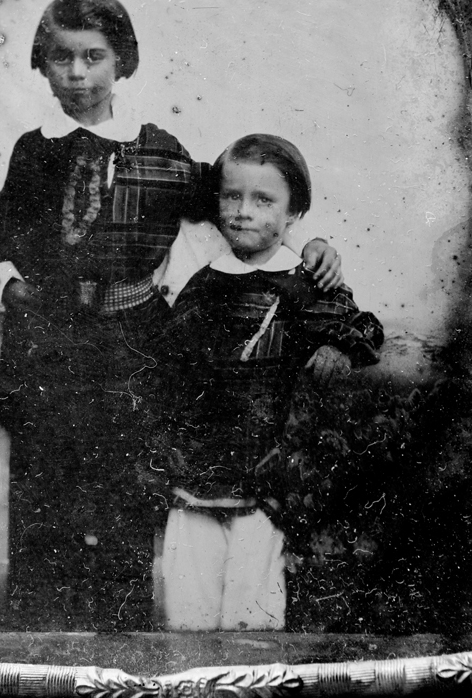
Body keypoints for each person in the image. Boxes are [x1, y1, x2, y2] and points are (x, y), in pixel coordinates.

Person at [0, 0, 341, 630]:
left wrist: (313, 240)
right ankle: (38, 640)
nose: (78, 73)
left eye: (94, 56)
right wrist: (13, 288)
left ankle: (121, 643)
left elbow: (237, 201)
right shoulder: (33, 151)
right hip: (49, 347)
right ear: (41, 65)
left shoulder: (159, 152)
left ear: (123, 64)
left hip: (133, 350)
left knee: (125, 499)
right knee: (44, 498)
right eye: (61, 58)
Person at [155, 134, 384, 631]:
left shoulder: (304, 282)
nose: (242, 211)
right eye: (231, 196)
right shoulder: (205, 280)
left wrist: (339, 349)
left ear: (294, 212)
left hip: (269, 470)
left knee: (253, 612)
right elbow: (170, 365)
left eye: (264, 200)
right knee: (187, 610)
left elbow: (365, 327)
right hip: (199, 462)